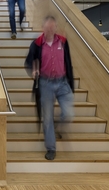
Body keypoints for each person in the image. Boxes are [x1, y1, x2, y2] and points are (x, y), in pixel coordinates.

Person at [25, 16, 74, 161]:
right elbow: (29, 62)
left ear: (56, 28)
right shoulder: (37, 44)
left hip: (63, 82)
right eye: (47, 28)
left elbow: (68, 62)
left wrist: (70, 82)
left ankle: (56, 128)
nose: (50, 30)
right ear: (43, 28)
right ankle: (51, 148)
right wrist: (33, 71)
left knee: (69, 114)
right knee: (47, 119)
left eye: (52, 28)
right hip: (45, 84)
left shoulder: (63, 42)